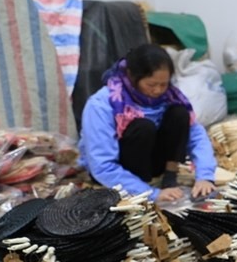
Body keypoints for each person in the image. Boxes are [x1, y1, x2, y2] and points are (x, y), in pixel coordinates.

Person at [78, 43, 217, 203]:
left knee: (179, 113)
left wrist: (205, 176)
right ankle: (141, 185)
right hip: (117, 172)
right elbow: (101, 165)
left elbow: (196, 135)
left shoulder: (170, 96)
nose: (158, 91)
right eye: (151, 85)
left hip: (153, 165)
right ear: (132, 76)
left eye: (163, 84)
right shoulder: (101, 104)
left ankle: (168, 175)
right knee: (143, 127)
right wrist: (150, 193)